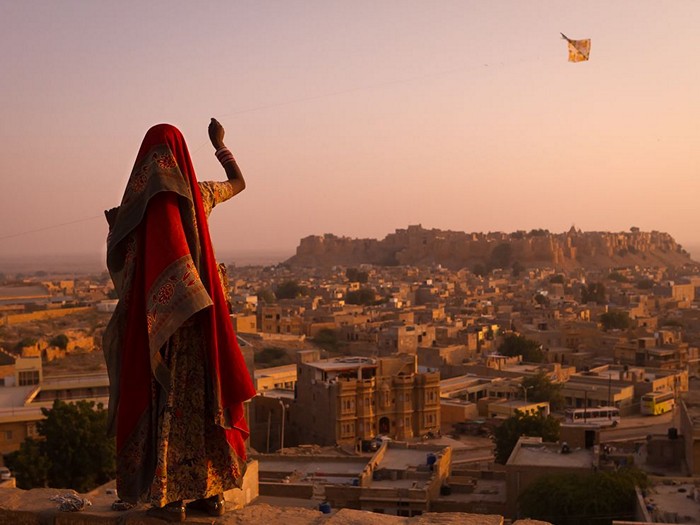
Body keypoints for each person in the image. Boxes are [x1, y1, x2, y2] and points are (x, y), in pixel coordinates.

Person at [103, 120, 256, 522]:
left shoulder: (135, 210)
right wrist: (220, 146)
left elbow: (122, 260)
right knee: (205, 400)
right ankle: (211, 494)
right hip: (203, 322)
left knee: (166, 404)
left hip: (161, 329)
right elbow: (238, 182)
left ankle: (171, 500)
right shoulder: (200, 193)